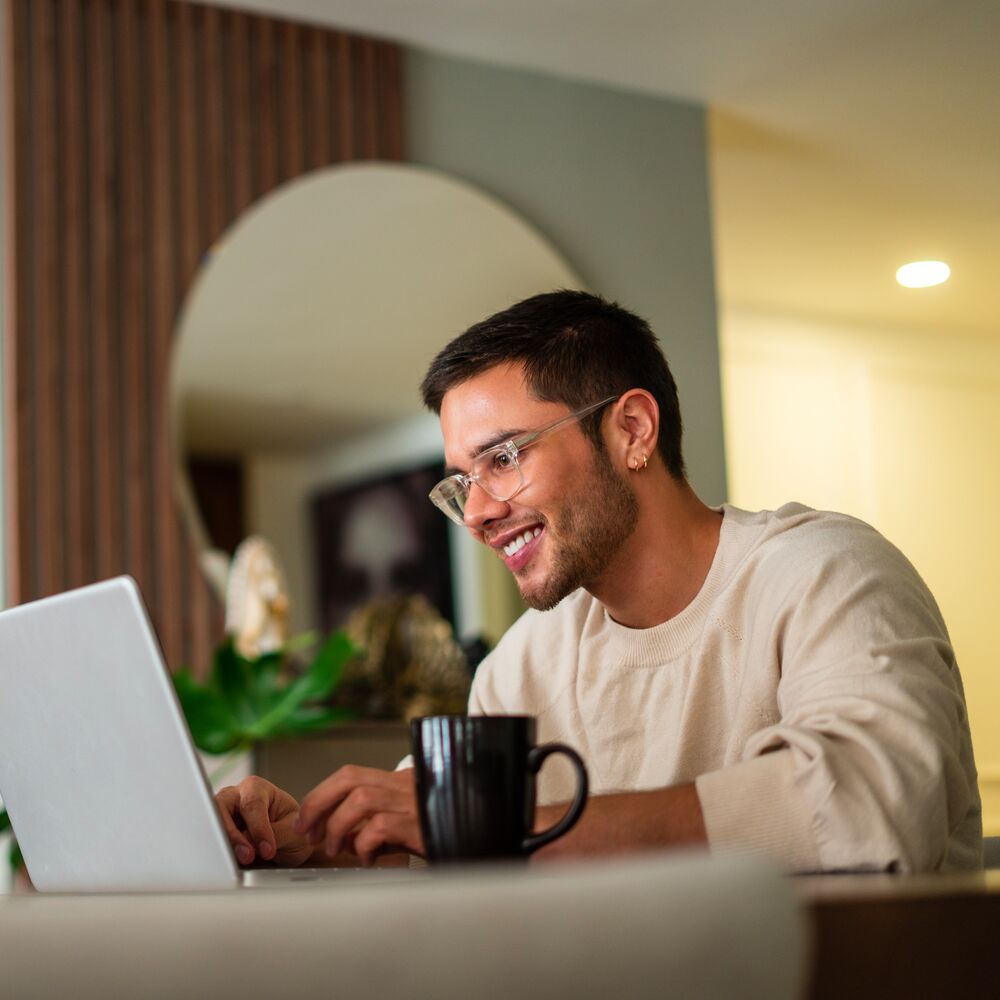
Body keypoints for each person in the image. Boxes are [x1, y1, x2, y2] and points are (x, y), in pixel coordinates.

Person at [217, 290, 982, 873]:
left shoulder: (828, 574)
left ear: (632, 431)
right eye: (459, 483)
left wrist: (506, 823)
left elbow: (867, 809)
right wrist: (305, 838)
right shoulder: (524, 663)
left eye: (504, 458)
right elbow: (428, 834)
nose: (477, 513)